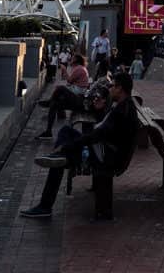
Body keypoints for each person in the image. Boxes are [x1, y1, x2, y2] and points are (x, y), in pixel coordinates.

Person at [21, 72, 138, 220]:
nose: (110, 89)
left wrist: (70, 146)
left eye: (113, 86)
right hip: (104, 148)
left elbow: (99, 134)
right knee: (66, 132)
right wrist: (99, 109)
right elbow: (105, 128)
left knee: (60, 160)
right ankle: (59, 155)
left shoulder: (123, 110)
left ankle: (45, 206)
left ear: (120, 88)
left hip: (106, 156)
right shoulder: (122, 105)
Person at [36, 54, 91, 139]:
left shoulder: (79, 68)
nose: (71, 59)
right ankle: (48, 132)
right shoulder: (78, 68)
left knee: (61, 88)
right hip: (77, 95)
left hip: (79, 98)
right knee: (55, 103)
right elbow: (70, 82)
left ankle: (49, 102)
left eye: (73, 58)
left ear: (76, 60)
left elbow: (69, 80)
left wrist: (64, 70)